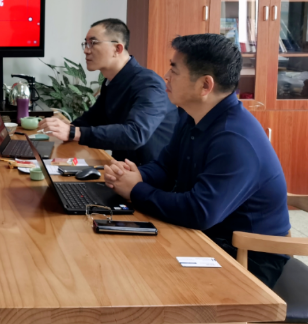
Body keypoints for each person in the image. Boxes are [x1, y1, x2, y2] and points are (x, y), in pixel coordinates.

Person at [104, 34, 290, 288]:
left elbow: (199, 212)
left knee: (139, 279)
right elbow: (165, 167)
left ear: (205, 85)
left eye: (174, 70)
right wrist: (133, 175)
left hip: (247, 256)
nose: (165, 76)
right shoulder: (191, 116)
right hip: (206, 236)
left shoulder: (234, 138)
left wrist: (136, 189)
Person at [38, 18, 177, 166]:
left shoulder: (148, 83)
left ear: (117, 49)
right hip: (123, 169)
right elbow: (92, 119)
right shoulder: (111, 81)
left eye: (93, 43)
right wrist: (64, 128)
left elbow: (135, 134)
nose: (86, 50)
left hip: (153, 173)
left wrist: (73, 132)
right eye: (86, 44)